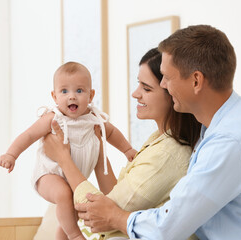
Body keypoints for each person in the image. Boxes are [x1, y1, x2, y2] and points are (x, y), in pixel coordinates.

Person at [73, 25, 241, 239]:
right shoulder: (224, 126)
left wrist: (115, 217)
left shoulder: (229, 140)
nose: (165, 86)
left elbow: (168, 227)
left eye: (167, 77)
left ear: (196, 80)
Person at [43, 48, 201, 240]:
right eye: (138, 84)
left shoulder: (168, 154)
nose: (135, 94)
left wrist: (63, 158)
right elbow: (115, 197)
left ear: (173, 95)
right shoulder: (157, 140)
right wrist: (99, 149)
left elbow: (101, 213)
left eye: (146, 88)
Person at [0, 61, 137, 240]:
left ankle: (62, 236)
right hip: (48, 176)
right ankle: (75, 235)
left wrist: (127, 149)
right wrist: (11, 154)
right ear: (54, 96)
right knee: (64, 194)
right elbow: (29, 135)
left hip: (75, 180)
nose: (72, 97)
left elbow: (112, 133)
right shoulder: (53, 118)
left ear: (91, 95)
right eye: (64, 91)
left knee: (76, 205)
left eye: (79, 91)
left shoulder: (94, 119)